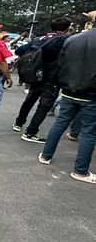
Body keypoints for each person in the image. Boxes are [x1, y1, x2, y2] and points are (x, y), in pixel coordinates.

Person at [38, 28, 96, 184]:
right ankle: (80, 170)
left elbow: (61, 63)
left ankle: (46, 155)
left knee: (60, 123)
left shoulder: (73, 39)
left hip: (69, 89)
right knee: (89, 133)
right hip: (91, 94)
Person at [12, 18, 72, 143]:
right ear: (66, 29)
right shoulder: (64, 40)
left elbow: (20, 51)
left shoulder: (39, 39)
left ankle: (18, 123)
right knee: (44, 105)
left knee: (30, 100)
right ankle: (30, 132)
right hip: (52, 77)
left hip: (36, 75)